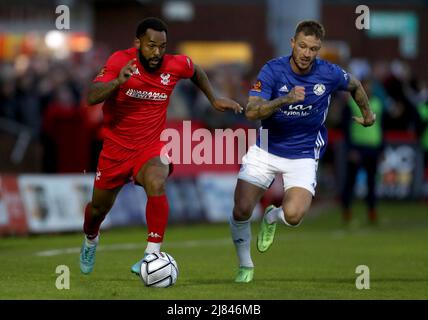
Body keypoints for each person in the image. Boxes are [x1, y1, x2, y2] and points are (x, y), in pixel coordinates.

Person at [80, 17, 242, 275]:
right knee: (98, 208)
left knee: (157, 180)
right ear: (137, 43)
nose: (157, 53)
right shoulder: (119, 61)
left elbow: (196, 70)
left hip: (150, 146)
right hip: (116, 149)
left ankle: (151, 255)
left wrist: (214, 98)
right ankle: (90, 238)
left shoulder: (175, 65)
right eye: (151, 46)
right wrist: (117, 82)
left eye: (162, 46)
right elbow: (91, 97)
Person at [229, 20, 376, 283]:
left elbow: (354, 85)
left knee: (294, 216)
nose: (307, 53)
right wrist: (285, 99)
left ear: (319, 49)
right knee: (241, 209)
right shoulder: (273, 70)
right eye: (303, 46)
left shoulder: (328, 73)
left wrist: (367, 114)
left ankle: (272, 217)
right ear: (292, 44)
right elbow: (251, 111)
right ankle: (245, 265)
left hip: (304, 153)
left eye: (314, 48)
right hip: (267, 149)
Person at [341, 76, 384, 224]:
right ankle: (346, 210)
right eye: (365, 86)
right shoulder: (352, 104)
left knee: (372, 182)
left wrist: (381, 149)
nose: (368, 89)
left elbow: (381, 127)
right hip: (357, 147)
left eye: (370, 86)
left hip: (373, 147)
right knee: (351, 181)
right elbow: (345, 128)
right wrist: (350, 149)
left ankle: (372, 211)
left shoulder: (378, 103)